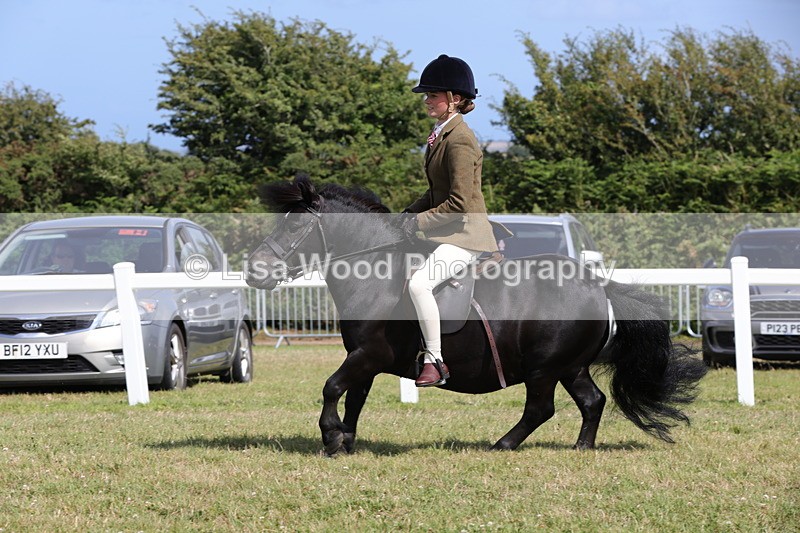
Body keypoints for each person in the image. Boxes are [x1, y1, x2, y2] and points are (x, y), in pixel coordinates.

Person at [398, 54, 505, 387]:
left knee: (419, 283)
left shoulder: (460, 140)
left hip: (465, 235)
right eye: (427, 95)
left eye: (433, 95)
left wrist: (415, 225)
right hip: (446, 230)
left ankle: (434, 360)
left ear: (455, 99)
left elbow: (457, 204)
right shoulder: (440, 133)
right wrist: (400, 216)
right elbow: (434, 195)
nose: (427, 100)